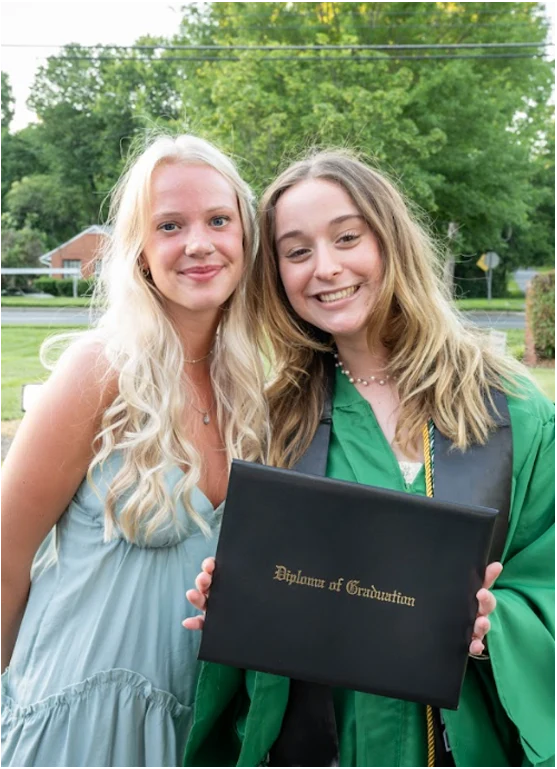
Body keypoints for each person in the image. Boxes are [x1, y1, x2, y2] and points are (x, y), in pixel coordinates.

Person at [183, 150, 556, 768]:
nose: (325, 268)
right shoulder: (275, 422)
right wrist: (237, 595)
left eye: (348, 238)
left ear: (391, 241)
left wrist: (499, 627)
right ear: (276, 274)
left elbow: (545, 570)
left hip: (474, 742)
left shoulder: (511, 407)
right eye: (297, 251)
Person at [0, 134, 268, 768]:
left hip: (197, 729)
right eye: (169, 225)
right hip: (76, 723)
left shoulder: (255, 388)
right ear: (141, 251)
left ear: (246, 237)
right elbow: (4, 558)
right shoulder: (100, 371)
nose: (198, 243)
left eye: (218, 220)